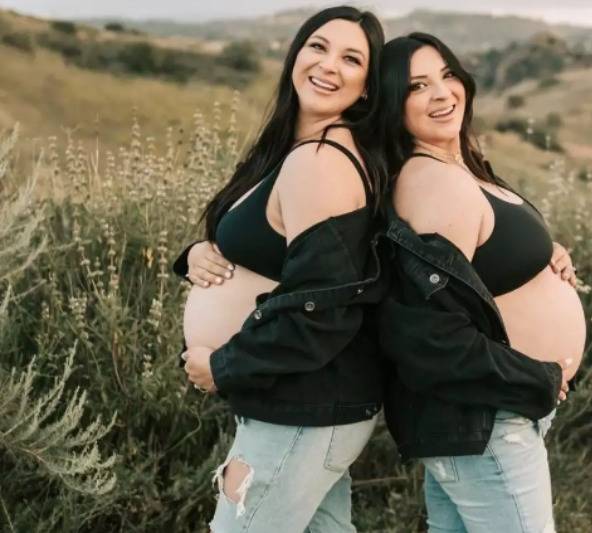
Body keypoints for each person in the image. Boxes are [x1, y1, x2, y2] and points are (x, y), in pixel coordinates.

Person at [173, 7, 388, 532]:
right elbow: (271, 249)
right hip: (301, 404)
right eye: (318, 46)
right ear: (296, 54)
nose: (328, 64)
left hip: (304, 407)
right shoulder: (287, 151)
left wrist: (224, 366)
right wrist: (199, 254)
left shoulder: (321, 159)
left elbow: (325, 309)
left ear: (366, 88)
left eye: (351, 58)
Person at [375, 32, 586, 532]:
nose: (442, 93)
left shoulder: (460, 166)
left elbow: (474, 267)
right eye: (417, 86)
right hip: (485, 417)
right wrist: (538, 378)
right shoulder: (433, 181)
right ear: (391, 104)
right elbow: (427, 336)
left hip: (491, 416)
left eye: (447, 75)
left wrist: (542, 256)